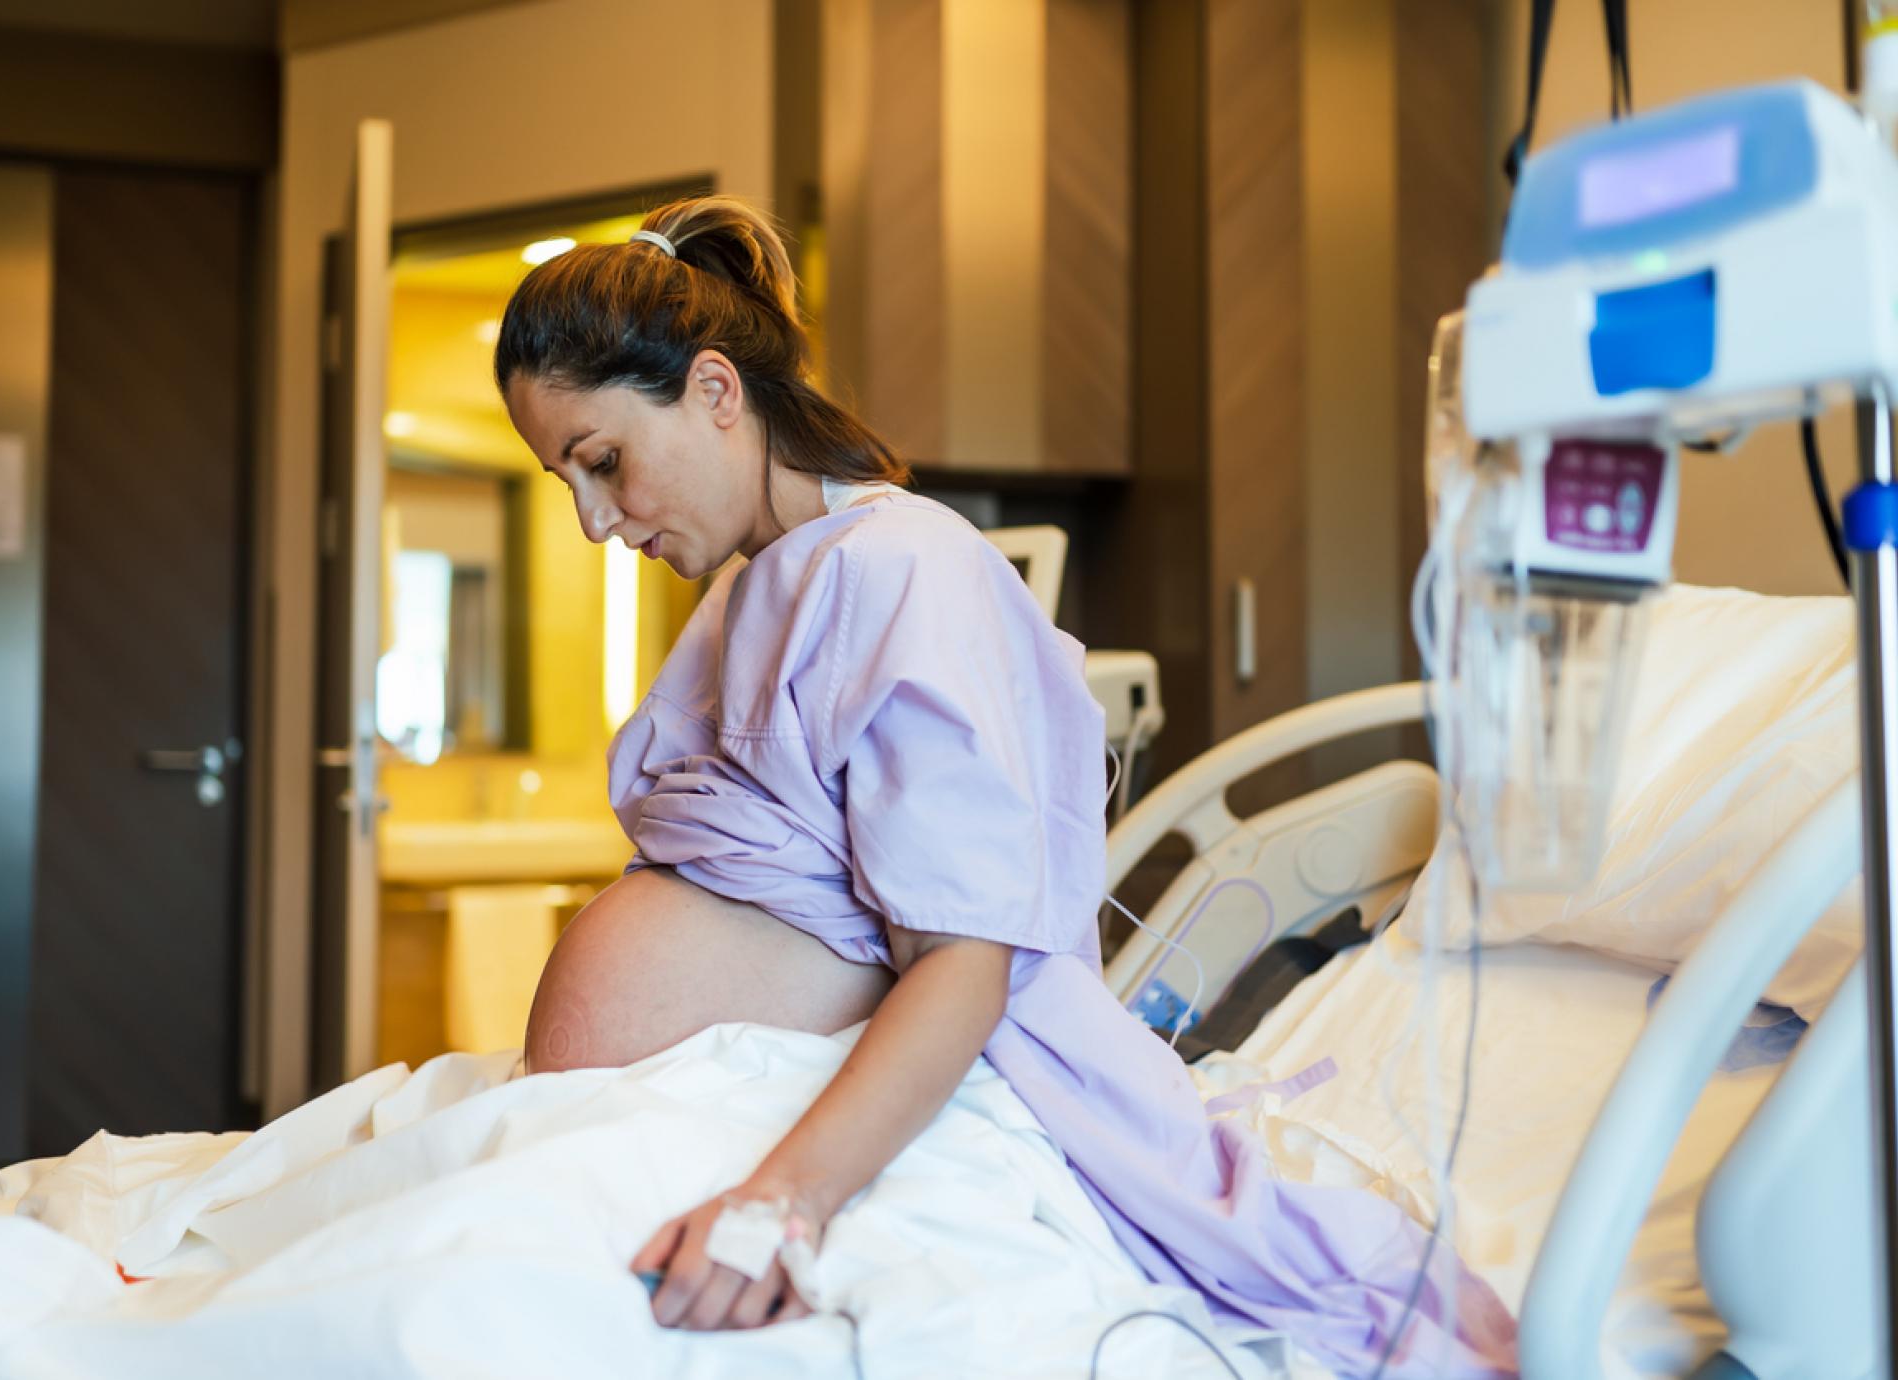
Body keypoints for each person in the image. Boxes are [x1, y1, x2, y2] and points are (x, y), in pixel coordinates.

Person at [493, 196, 1515, 1375]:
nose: (589, 520)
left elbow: (960, 962)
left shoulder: (899, 570)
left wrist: (782, 1204)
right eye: (566, 479)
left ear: (716, 391)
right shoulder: (750, 588)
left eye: (602, 462)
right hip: (685, 1100)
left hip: (822, 1118)